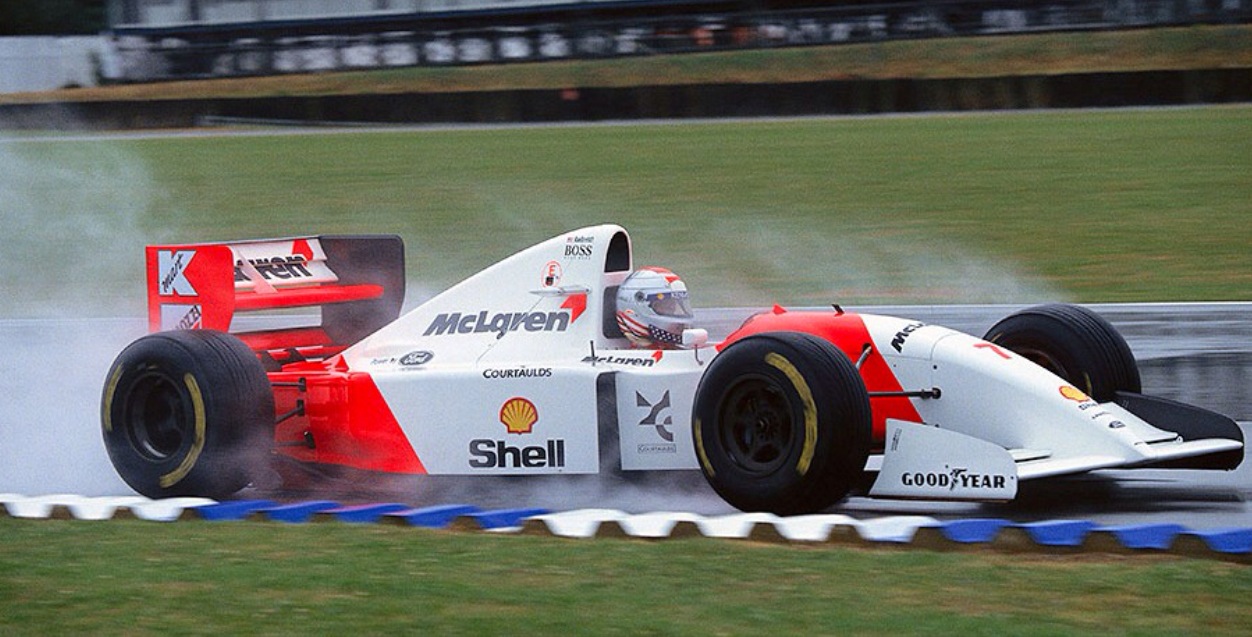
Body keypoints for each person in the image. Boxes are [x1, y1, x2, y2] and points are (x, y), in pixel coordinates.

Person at [615, 266, 694, 349]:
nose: (678, 313)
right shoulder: (639, 357)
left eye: (673, 306)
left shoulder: (674, 350)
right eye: (667, 307)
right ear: (638, 308)